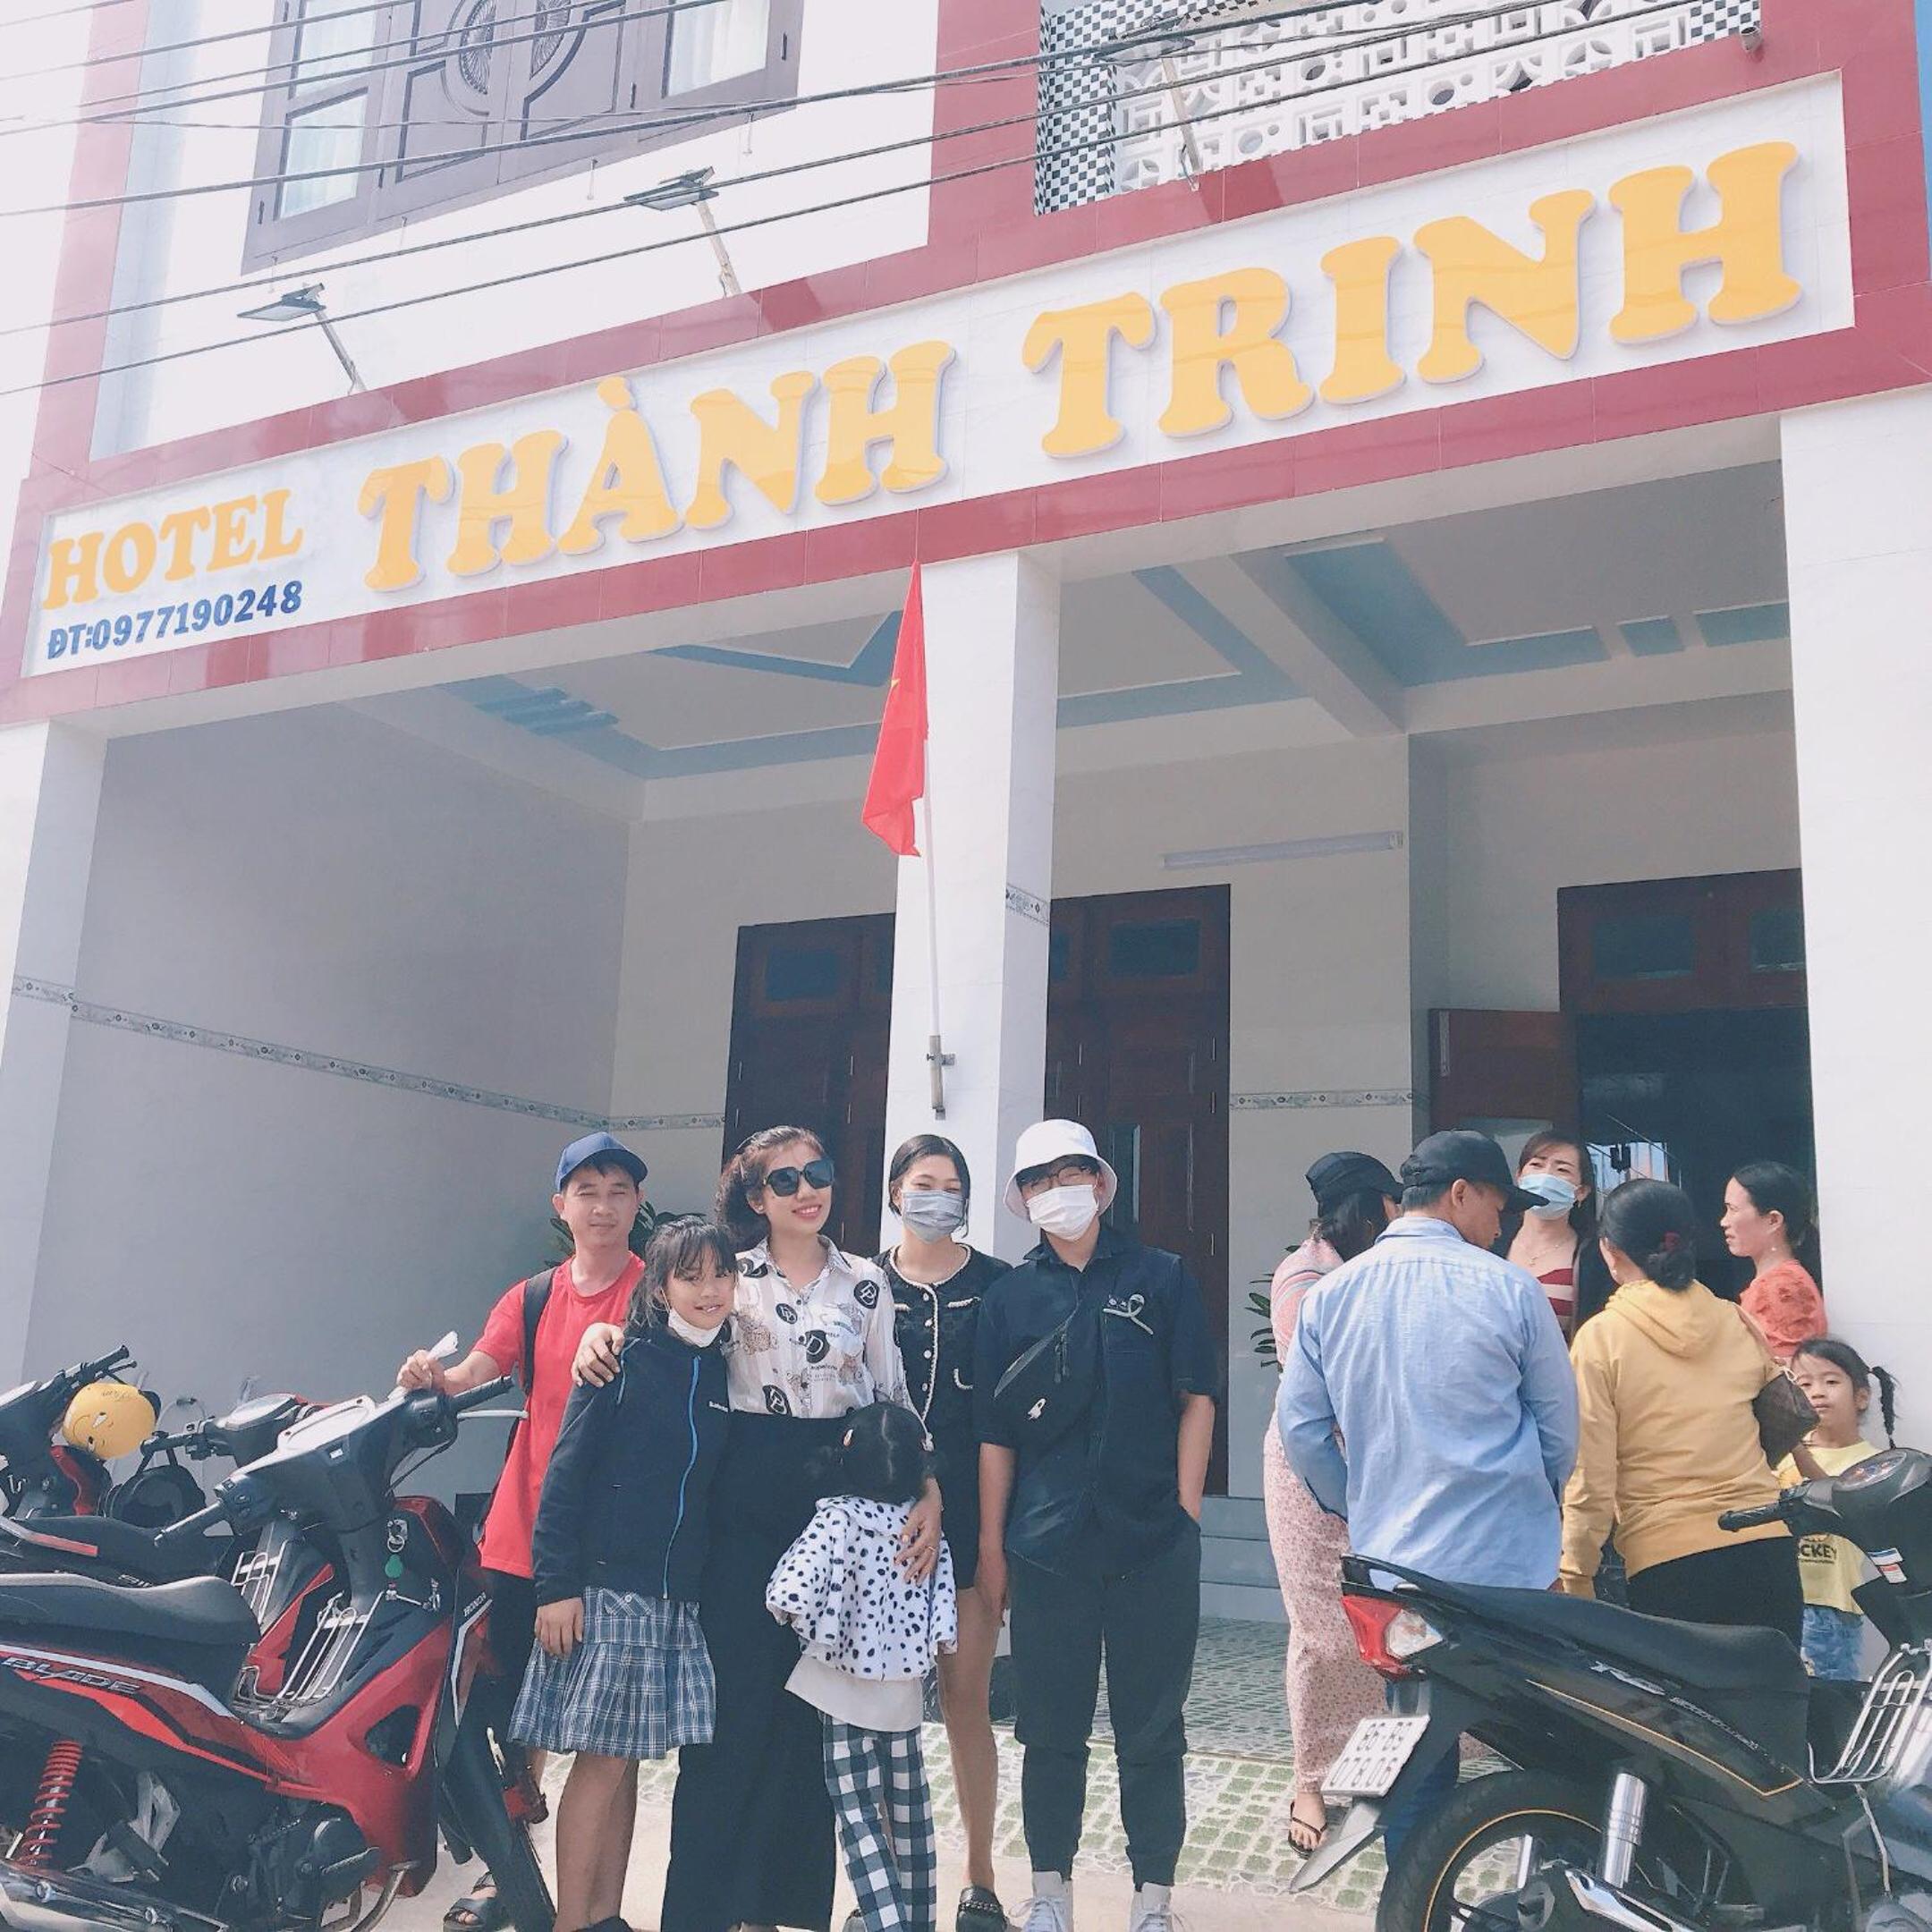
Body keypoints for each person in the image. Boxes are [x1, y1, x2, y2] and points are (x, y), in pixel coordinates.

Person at [572, 1125, 943, 1932]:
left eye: (819, 1173)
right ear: (753, 1197)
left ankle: (782, 1912)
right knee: (730, 1717)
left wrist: (929, 1493)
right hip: (740, 1509)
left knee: (811, 1725)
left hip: (840, 1514)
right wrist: (600, 1333)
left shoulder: (868, 1284)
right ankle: (706, 1914)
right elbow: (657, 1334)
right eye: (785, 1180)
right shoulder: (728, 1276)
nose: (807, 1191)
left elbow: (894, 1400)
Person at [1275, 1129, 1576, 1872]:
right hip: (1508, 1567)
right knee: (1543, 1733)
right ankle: (1551, 1889)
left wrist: (1357, 1506)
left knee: (1414, 1745)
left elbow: (1303, 1433)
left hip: (1395, 1570)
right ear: (1460, 1194)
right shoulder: (1511, 1289)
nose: (1501, 1226)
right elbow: (1559, 1431)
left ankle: (1412, 1900)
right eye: (1498, 1207)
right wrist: (1530, 1504)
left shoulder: (1331, 1296)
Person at [395, 1131, 650, 1932]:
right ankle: (513, 1873)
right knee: (513, 1725)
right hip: (518, 1539)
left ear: (638, 1205)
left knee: (611, 1740)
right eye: (587, 1192)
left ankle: (600, 1904)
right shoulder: (533, 1296)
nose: (603, 1207)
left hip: (613, 1547)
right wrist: (432, 1378)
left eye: (618, 1191)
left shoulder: (656, 1293)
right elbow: (479, 1369)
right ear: (560, 1206)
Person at [975, 1119, 1219, 1932]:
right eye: (1040, 1179)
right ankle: (1050, 1894)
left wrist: (1186, 1514)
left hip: (1152, 1543)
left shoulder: (1161, 1276)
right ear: (1023, 1198)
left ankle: (1154, 1901)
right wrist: (993, 1548)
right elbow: (996, 1435)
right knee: (1050, 1729)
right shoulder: (1009, 1297)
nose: (1059, 1190)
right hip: (1047, 1549)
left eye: (1071, 1172)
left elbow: (1197, 1397)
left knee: (1153, 1729)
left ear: (1102, 1183)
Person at [513, 1219, 737, 1932]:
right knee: (603, 1763)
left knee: (628, 1763)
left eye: (722, 1274)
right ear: (660, 1286)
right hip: (609, 1593)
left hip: (674, 1599)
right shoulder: (621, 1360)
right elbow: (564, 1478)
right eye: (691, 1276)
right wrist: (556, 1588)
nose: (710, 1290)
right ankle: (570, 1922)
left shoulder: (724, 1368)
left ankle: (605, 1916)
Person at [1559, 1178, 1803, 1644]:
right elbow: (1776, 1420)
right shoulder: (1735, 1319)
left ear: (1610, 1250)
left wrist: (1576, 1573)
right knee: (1777, 1690)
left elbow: (1591, 1476)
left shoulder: (1601, 1339)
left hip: (1669, 1561)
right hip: (1766, 1546)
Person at [877, 1135, 1011, 1932]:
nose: (939, 1197)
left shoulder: (998, 1285)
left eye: (952, 1185)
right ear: (896, 1191)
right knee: (886, 1706)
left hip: (970, 1512)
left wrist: (993, 1543)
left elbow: (1004, 1423)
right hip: (883, 1520)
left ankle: (979, 1876)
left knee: (967, 1701)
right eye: (924, 1182)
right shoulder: (863, 1283)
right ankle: (890, 1879)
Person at [768, 1402, 961, 1932]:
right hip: (902, 1693)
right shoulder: (924, 1528)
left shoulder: (836, 1519)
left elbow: (788, 1591)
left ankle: (885, 1923)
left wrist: (802, 1622)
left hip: (841, 1688)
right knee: (911, 1819)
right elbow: (944, 1614)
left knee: (859, 1821)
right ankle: (918, 1922)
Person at [1261, 1151, 1397, 1856]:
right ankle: (1310, 1780)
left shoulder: (1371, 1269)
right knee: (1320, 1630)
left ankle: (1374, 1767)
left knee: (1382, 1622)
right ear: (1367, 1209)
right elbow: (1315, 1393)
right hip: (1312, 1474)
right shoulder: (1305, 1277)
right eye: (1389, 1204)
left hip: (1376, 1469)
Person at [1782, 1335, 1897, 1680]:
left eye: (1831, 1382)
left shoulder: (1875, 1463)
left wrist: (1794, 1447)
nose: (1817, 1392)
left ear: (1861, 1397)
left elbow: (1836, 1500)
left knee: (1828, 1702)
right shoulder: (1781, 1455)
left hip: (1831, 1606)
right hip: (1779, 1594)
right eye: (1804, 1384)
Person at [1504, 1131, 1614, 1338]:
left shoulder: (1597, 1256)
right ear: (1519, 1176)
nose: (1546, 1175)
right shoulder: (1489, 1241)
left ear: (1581, 1191)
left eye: (1562, 1169)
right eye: (1537, 1164)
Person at [1724, 1161, 1826, 1362]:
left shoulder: (1781, 1289)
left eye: (1733, 1209)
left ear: (1773, 1220)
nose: (1724, 1221)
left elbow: (1787, 1372)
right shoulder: (1780, 1281)